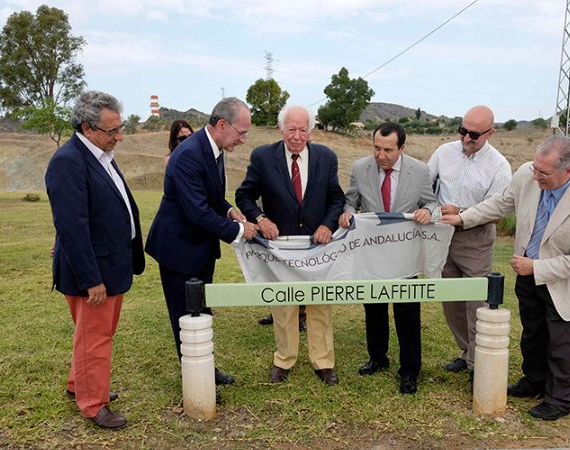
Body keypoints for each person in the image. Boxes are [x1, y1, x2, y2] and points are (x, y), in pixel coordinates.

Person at [439, 136, 570, 420]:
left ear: (568, 171)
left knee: (563, 343)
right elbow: (502, 203)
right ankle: (533, 382)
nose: (535, 176)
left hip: (567, 282)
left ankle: (560, 399)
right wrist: (464, 217)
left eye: (544, 173)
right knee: (532, 335)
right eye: (535, 168)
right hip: (527, 273)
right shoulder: (528, 174)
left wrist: (538, 268)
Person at [45, 90, 145, 430]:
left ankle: (79, 385)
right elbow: (72, 228)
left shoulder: (100, 153)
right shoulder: (68, 162)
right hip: (93, 273)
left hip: (111, 264)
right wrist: (91, 279)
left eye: (120, 128)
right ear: (87, 128)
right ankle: (92, 404)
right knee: (95, 338)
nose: (119, 136)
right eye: (112, 130)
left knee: (94, 334)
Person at [145, 97, 258, 390]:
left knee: (201, 312)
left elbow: (211, 198)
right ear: (222, 125)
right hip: (178, 249)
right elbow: (197, 212)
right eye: (241, 132)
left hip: (200, 249)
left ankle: (204, 367)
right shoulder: (188, 155)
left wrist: (230, 209)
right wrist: (239, 230)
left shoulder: (214, 149)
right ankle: (195, 381)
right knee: (185, 316)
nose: (243, 140)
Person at [235, 104, 345, 385]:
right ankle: (284, 359)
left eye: (303, 129)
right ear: (281, 128)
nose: (297, 136)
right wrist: (260, 218)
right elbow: (244, 195)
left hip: (317, 246)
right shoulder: (262, 157)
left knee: (320, 303)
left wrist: (327, 225)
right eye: (291, 129)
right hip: (280, 248)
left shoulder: (326, 157)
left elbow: (336, 198)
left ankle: (323, 363)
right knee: (283, 305)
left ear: (311, 131)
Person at [337, 122, 436, 394]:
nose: (381, 156)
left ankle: (410, 369)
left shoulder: (420, 170)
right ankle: (378, 358)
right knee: (374, 308)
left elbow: (431, 202)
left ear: (402, 148)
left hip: (405, 255)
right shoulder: (360, 168)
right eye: (377, 148)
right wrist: (346, 213)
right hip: (371, 254)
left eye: (388, 150)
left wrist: (428, 212)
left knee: (407, 311)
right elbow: (350, 201)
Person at [427, 105, 512, 379]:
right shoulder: (443, 153)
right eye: (462, 130)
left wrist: (462, 214)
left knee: (476, 303)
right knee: (451, 301)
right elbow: (426, 189)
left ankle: (479, 367)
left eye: (474, 134)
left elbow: (497, 210)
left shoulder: (499, 166)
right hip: (442, 237)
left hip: (475, 239)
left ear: (490, 133)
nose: (466, 138)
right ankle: (466, 352)